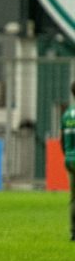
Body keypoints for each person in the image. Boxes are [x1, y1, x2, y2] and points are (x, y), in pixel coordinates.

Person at [61, 82, 75, 242]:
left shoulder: (67, 114)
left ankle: (73, 232)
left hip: (70, 159)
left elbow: (61, 139)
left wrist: (67, 155)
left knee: (73, 198)